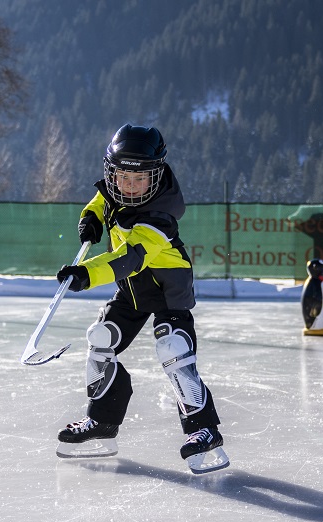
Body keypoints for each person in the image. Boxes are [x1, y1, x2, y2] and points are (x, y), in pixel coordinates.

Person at [54, 124, 229, 473]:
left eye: (140, 180)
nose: (130, 187)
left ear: (156, 175)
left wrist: (87, 274)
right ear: (112, 172)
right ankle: (102, 422)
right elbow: (100, 199)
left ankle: (204, 430)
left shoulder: (160, 215)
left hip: (168, 288)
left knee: (174, 350)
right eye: (123, 178)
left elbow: (131, 257)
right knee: (101, 340)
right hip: (132, 288)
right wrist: (88, 220)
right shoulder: (114, 190)